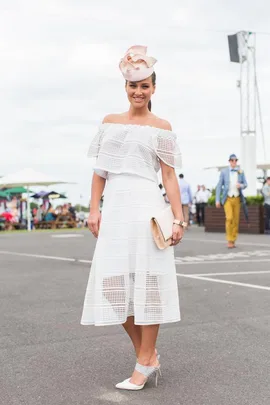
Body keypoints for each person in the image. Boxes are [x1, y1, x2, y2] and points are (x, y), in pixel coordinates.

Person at [81, 45, 184, 391]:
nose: (138, 92)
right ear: (125, 87)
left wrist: (179, 218)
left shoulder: (162, 127)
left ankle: (144, 362)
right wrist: (94, 209)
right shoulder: (110, 123)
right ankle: (148, 354)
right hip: (116, 210)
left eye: (144, 86)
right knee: (112, 288)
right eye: (132, 86)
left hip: (148, 208)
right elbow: (99, 172)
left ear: (154, 89)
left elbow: (168, 176)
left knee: (149, 286)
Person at [216, 154, 247, 248]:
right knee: (229, 218)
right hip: (227, 198)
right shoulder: (224, 172)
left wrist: (240, 185)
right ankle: (229, 239)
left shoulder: (240, 172)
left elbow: (245, 184)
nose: (234, 162)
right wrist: (217, 199)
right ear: (229, 161)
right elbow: (219, 186)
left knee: (235, 220)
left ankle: (233, 239)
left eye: (235, 160)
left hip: (237, 198)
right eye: (232, 160)